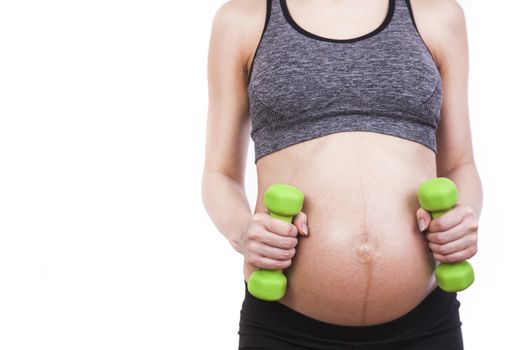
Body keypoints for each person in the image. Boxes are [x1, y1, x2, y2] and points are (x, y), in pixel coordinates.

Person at [201, 0, 483, 348]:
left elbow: (461, 164)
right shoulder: (242, 19)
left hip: (426, 323)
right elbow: (219, 174)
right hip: (285, 329)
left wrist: (461, 220)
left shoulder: (438, 15)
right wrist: (244, 232)